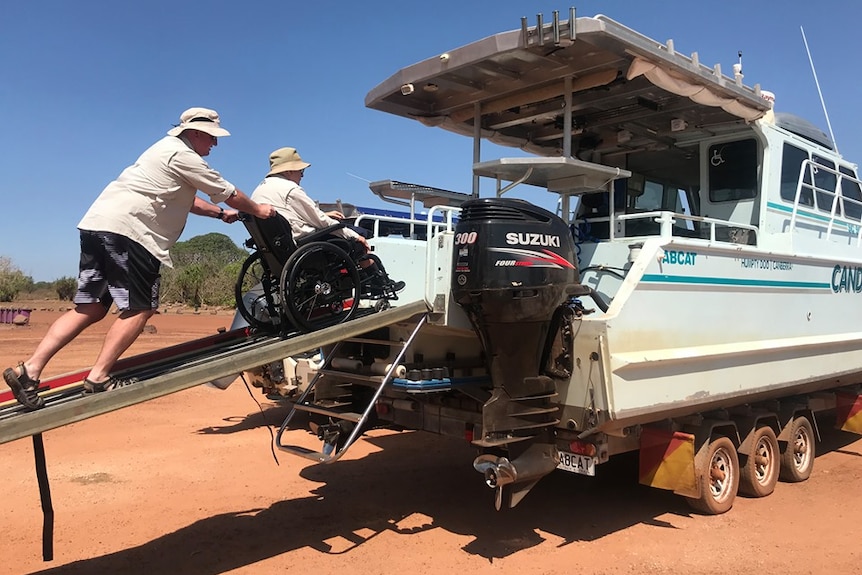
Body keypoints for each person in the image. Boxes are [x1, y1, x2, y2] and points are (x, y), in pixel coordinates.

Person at [3, 107, 277, 410]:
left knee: (90, 308)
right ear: (197, 133)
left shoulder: (162, 151)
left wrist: (219, 214)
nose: (215, 145)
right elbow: (228, 192)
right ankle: (99, 378)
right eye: (212, 138)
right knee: (140, 308)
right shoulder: (183, 155)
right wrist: (258, 210)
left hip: (99, 225)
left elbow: (187, 200)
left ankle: (29, 371)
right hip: (130, 233)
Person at [250, 147, 404, 296]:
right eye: (301, 171)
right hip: (304, 245)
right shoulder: (290, 189)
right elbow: (321, 222)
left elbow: (292, 214)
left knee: (347, 232)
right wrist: (353, 236)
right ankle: (381, 284)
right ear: (289, 170)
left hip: (278, 249)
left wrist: (325, 214)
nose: (302, 176)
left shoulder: (258, 191)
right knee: (357, 244)